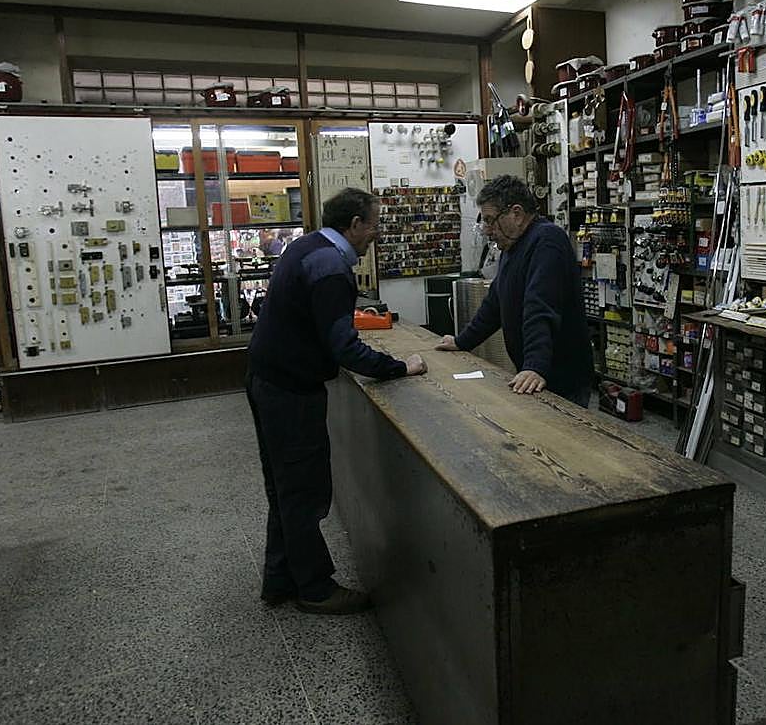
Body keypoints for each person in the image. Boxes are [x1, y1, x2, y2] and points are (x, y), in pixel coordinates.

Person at [246, 187, 426, 615]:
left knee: (285, 487)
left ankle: (280, 579)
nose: (375, 236)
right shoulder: (331, 269)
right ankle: (314, 588)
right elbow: (344, 348)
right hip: (289, 391)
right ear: (355, 224)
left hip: (267, 379)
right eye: (373, 226)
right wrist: (401, 368)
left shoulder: (310, 245)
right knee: (305, 489)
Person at [437, 175, 593, 406]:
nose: (487, 230)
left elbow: (540, 306)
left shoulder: (547, 241)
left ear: (516, 214)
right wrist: (463, 341)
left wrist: (534, 366)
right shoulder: (513, 246)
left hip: (559, 375)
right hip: (536, 372)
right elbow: (495, 303)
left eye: (490, 220)